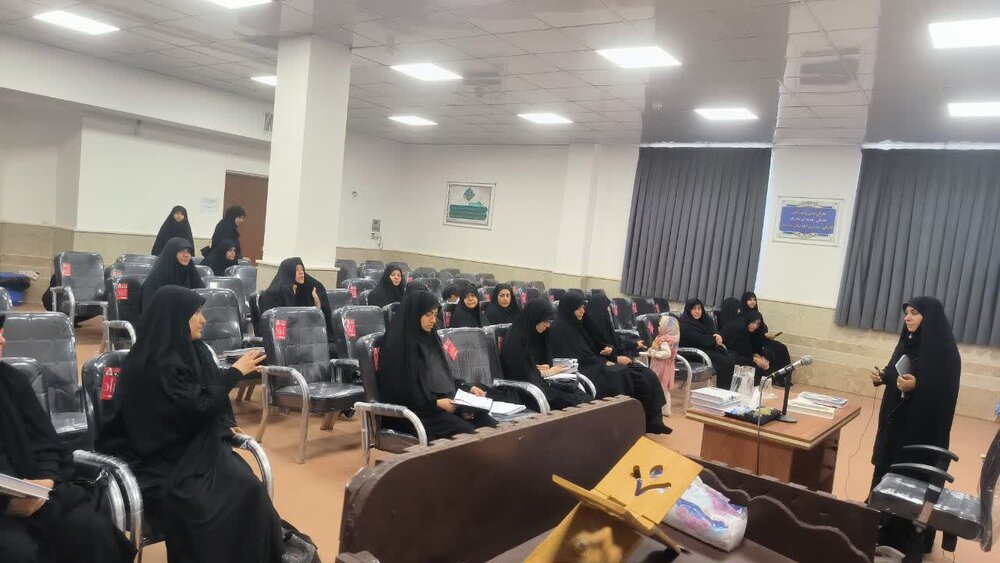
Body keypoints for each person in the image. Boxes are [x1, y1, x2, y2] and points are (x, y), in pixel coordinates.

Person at [97, 287, 283, 562]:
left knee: (248, 487)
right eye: (195, 313)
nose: (203, 319)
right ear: (175, 318)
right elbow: (197, 404)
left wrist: (224, 423)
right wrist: (235, 373)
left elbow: (207, 398)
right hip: (156, 457)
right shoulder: (149, 364)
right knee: (202, 506)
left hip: (194, 447)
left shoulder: (195, 352)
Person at [0, 316, 135, 563]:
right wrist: (7, 505)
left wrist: (44, 483)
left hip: (34, 494)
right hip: (4, 512)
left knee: (90, 529)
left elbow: (46, 445)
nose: (2, 340)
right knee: (17, 551)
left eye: (1, 332)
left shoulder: (12, 382)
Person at [869, 297, 961, 555]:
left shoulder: (945, 352)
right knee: (888, 469)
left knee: (911, 478)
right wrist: (884, 377)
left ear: (929, 318)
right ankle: (882, 527)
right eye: (906, 313)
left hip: (921, 432)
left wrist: (918, 386)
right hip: (896, 425)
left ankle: (907, 537)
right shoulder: (907, 342)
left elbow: (945, 393)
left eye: (914, 313)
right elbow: (896, 372)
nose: (907, 318)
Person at [377, 291, 519, 441]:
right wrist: (437, 403)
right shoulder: (398, 346)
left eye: (435, 314)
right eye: (428, 315)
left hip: (438, 404)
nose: (433, 320)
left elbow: (443, 376)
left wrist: (467, 388)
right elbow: (401, 392)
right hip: (412, 414)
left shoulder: (430, 338)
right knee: (466, 433)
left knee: (487, 422)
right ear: (415, 314)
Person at [547, 293, 669, 434]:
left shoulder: (578, 324)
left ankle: (649, 421)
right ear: (569, 308)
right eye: (579, 308)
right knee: (619, 374)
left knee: (645, 374)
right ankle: (619, 425)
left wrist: (608, 356)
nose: (583, 311)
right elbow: (574, 355)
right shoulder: (559, 329)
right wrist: (606, 360)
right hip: (581, 368)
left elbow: (591, 349)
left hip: (594, 362)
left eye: (583, 307)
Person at [499, 298, 590, 410]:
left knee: (582, 398)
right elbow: (521, 374)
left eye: (549, 322)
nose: (548, 325)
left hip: (540, 384)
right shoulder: (517, 339)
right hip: (527, 392)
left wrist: (537, 367)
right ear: (535, 318)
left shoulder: (531, 332)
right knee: (577, 403)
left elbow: (528, 365)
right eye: (545, 321)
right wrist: (549, 371)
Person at [259, 258, 336, 341]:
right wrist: (290, 296)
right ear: (288, 273)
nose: (301, 272)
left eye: (302, 269)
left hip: (307, 338)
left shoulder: (308, 289)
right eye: (296, 270)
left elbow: (314, 323)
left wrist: (317, 304)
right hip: (284, 340)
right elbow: (276, 327)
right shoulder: (273, 295)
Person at [678, 299, 735, 390]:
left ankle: (726, 389)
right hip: (692, 353)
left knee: (729, 358)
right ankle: (723, 390)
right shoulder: (684, 323)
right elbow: (697, 338)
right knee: (724, 362)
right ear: (688, 310)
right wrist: (714, 339)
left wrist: (717, 337)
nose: (697, 311)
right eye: (694, 309)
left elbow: (712, 333)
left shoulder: (705, 321)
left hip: (704, 349)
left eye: (699, 308)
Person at [141, 237, 204, 313]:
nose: (186, 255)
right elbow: (150, 311)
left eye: (188, 252)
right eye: (182, 251)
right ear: (172, 253)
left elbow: (204, 302)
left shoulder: (192, 274)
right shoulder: (155, 280)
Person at [741, 291, 791, 370]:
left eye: (754, 300)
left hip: (762, 340)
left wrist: (766, 336)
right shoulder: (741, 314)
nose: (752, 302)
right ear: (744, 301)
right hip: (751, 342)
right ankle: (773, 373)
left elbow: (761, 328)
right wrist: (763, 335)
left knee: (781, 348)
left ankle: (784, 374)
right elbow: (748, 333)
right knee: (769, 352)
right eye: (749, 300)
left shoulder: (757, 313)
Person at [721, 310, 770, 385]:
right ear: (748, 320)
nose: (755, 326)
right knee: (755, 367)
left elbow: (746, 349)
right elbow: (739, 350)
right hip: (726, 354)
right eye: (753, 323)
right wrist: (756, 360)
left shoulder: (746, 327)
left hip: (736, 353)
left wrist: (758, 357)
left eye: (758, 324)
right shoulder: (741, 328)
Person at [647, 315, 680, 415]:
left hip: (661, 366)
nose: (658, 327)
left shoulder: (664, 340)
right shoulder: (671, 338)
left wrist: (654, 353)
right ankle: (665, 409)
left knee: (660, 387)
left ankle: (662, 409)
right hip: (667, 366)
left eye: (660, 325)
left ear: (666, 327)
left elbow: (667, 354)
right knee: (664, 388)